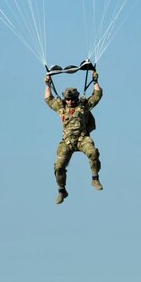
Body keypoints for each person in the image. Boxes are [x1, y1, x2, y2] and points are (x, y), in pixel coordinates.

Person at [44, 71, 103, 204]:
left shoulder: (83, 106)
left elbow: (97, 96)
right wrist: (47, 84)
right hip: (68, 142)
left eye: (72, 99)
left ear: (76, 99)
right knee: (59, 167)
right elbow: (48, 99)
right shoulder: (61, 107)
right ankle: (62, 191)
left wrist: (95, 81)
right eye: (67, 99)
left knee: (93, 153)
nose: (69, 101)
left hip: (82, 139)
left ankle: (95, 178)